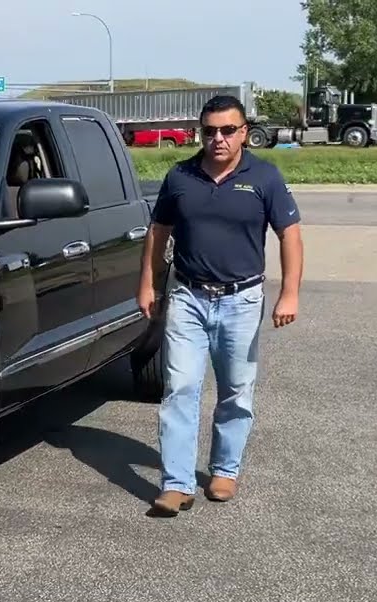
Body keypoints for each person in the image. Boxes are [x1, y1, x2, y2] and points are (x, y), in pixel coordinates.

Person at [136, 95, 304, 518]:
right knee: (180, 388)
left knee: (236, 390)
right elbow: (158, 233)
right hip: (188, 296)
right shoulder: (180, 176)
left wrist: (290, 293)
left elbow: (290, 236)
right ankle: (176, 483)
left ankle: (224, 470)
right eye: (210, 131)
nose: (218, 139)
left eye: (228, 130)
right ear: (201, 133)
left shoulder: (265, 178)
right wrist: (147, 285)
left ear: (244, 133)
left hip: (242, 300)